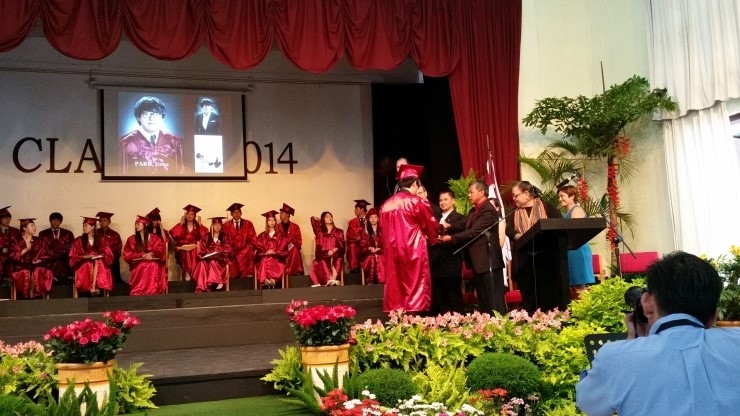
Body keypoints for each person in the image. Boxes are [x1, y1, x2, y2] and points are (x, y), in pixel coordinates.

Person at [576, 251, 740, 415]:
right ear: (713, 317)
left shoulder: (615, 357)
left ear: (647, 303)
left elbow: (588, 404)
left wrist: (633, 342)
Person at [379, 164, 439, 313]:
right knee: (415, 284)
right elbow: (430, 225)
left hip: (392, 251)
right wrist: (437, 234)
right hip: (413, 249)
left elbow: (382, 230)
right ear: (414, 184)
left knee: (396, 283)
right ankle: (415, 316)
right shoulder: (417, 202)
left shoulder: (385, 205)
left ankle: (398, 317)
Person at [439, 182, 506, 314]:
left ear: (481, 192)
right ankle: (487, 323)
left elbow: (474, 231)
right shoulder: (474, 210)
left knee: (494, 298)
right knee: (483, 299)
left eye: (471, 192)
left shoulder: (488, 210)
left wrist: (451, 238)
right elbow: (463, 224)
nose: (468, 195)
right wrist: (449, 226)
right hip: (478, 261)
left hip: (488, 259)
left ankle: (500, 324)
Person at [505, 181, 562, 312]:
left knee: (547, 295)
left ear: (526, 194)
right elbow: (508, 229)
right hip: (525, 260)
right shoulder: (514, 212)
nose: (513, 199)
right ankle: (531, 320)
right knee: (528, 296)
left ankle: (550, 319)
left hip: (545, 258)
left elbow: (559, 222)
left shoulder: (546, 206)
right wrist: (516, 236)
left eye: (515, 195)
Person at [119, 96, 185, 175]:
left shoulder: (175, 141)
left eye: (156, 114)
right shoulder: (125, 143)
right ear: (138, 117)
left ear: (162, 117)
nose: (151, 118)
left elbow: (181, 173)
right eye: (146, 114)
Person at [429, 191, 466, 315]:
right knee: (439, 295)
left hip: (451, 261)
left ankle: (459, 320)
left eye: (445, 199)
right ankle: (443, 321)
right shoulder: (435, 217)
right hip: (436, 261)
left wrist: (447, 231)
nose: (442, 202)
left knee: (453, 294)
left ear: (453, 200)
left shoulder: (459, 217)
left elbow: (461, 233)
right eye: (440, 200)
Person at [557, 185, 595, 294]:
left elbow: (574, 232)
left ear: (572, 196)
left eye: (562, 196)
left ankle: (586, 305)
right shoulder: (566, 213)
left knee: (580, 285)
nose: (560, 199)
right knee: (574, 287)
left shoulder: (576, 210)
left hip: (578, 250)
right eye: (559, 197)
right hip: (570, 250)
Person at [9, 218, 54, 299]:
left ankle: (35, 296)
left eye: (34, 225)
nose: (34, 227)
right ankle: (26, 297)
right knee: (25, 272)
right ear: (24, 228)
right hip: (20, 267)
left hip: (37, 265)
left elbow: (47, 254)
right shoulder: (16, 241)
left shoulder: (40, 240)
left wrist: (40, 260)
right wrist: (26, 249)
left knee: (37, 271)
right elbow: (13, 256)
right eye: (32, 226)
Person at [69, 217, 114, 296]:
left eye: (86, 225)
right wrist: (85, 257)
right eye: (83, 225)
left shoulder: (101, 240)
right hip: (83, 263)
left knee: (99, 262)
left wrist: (100, 256)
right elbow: (74, 255)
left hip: (98, 263)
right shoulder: (79, 240)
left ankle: (96, 286)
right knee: (88, 264)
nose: (84, 228)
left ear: (93, 227)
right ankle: (90, 287)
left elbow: (109, 254)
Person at [123, 215, 166, 296]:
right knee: (143, 265)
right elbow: (127, 253)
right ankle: (139, 290)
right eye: (136, 224)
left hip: (152, 261)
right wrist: (142, 255)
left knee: (152, 265)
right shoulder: (132, 239)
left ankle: (152, 290)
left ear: (145, 225)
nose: (137, 226)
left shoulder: (154, 237)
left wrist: (151, 254)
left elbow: (160, 248)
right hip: (138, 263)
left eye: (138, 224)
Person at [169, 204, 209, 281]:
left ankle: (193, 273)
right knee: (186, 251)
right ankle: (188, 272)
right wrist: (181, 223)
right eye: (188, 214)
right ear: (185, 215)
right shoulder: (182, 225)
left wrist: (200, 224)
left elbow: (204, 236)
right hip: (182, 248)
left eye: (192, 214)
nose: (189, 216)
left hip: (195, 248)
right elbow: (175, 235)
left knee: (193, 251)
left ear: (195, 216)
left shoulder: (197, 226)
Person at [193, 217, 232, 292]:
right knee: (202, 263)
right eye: (215, 225)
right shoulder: (206, 237)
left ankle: (218, 282)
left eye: (219, 225)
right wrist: (209, 253)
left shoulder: (225, 236)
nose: (218, 227)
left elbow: (227, 249)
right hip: (208, 259)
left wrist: (218, 252)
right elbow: (203, 249)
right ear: (212, 226)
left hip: (221, 259)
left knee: (213, 262)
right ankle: (203, 287)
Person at [222, 202, 257, 279]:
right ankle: (238, 273)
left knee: (249, 250)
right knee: (228, 254)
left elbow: (253, 238)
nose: (237, 214)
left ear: (241, 213)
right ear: (231, 214)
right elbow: (224, 240)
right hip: (232, 250)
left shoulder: (248, 224)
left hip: (245, 250)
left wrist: (249, 246)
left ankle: (247, 273)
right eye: (235, 212)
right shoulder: (226, 225)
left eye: (238, 212)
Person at [309, 212, 345, 287]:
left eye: (331, 216)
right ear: (323, 219)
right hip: (323, 254)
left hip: (335, 252)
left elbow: (341, 244)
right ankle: (331, 280)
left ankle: (332, 279)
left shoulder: (338, 231)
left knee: (338, 258)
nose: (330, 218)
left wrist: (333, 250)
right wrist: (320, 220)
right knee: (318, 261)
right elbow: (313, 219)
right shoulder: (320, 232)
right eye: (327, 217)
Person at [38, 212, 75, 284]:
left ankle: (64, 279)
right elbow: (41, 248)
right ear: (50, 221)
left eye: (58, 221)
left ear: (61, 222)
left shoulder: (68, 233)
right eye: (53, 220)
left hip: (63, 258)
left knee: (63, 262)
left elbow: (71, 247)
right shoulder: (43, 233)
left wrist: (61, 251)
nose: (55, 222)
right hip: (49, 258)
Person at [254, 210, 288, 289]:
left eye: (273, 220)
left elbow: (283, 247)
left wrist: (274, 252)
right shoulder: (262, 235)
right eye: (269, 220)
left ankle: (269, 279)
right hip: (264, 257)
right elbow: (259, 247)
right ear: (267, 222)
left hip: (277, 258)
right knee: (266, 258)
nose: (272, 222)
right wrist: (266, 252)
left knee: (270, 258)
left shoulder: (280, 235)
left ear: (276, 222)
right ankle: (270, 280)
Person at [95, 212, 124, 284]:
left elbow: (118, 247)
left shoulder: (115, 234)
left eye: (105, 220)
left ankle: (116, 279)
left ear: (109, 222)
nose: (103, 223)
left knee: (114, 258)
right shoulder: (95, 233)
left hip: (111, 256)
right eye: (101, 221)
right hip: (98, 255)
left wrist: (107, 252)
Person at [276, 203, 304, 276]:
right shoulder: (277, 227)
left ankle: (295, 270)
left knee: (294, 249)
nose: (280, 215)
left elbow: (298, 240)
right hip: (281, 248)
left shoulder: (295, 227)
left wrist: (291, 241)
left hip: (291, 247)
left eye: (282, 213)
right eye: (280, 213)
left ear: (288, 214)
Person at [359, 208, 385, 284]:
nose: (373, 219)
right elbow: (362, 244)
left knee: (381, 257)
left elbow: (386, 243)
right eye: (371, 217)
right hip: (368, 253)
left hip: (381, 252)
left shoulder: (383, 230)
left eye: (375, 217)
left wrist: (379, 249)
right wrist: (369, 248)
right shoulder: (364, 231)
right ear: (368, 219)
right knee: (371, 258)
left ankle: (382, 281)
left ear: (378, 219)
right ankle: (370, 281)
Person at [146, 207, 171, 285]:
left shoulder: (163, 231)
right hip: (149, 253)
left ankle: (160, 282)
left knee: (163, 250)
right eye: (153, 220)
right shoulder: (146, 231)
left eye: (157, 220)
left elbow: (165, 241)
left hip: (160, 253)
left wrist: (161, 227)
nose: (155, 222)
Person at [346, 199, 371, 273]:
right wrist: (356, 238)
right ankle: (354, 271)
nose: (354, 210)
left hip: (368, 245)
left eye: (356, 208)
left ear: (362, 209)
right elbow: (349, 234)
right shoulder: (352, 222)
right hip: (357, 246)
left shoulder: (370, 219)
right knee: (352, 246)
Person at [0, 206, 21, 284]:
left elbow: (20, 244)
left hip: (13, 255)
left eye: (9, 218)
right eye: (5, 218)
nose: (8, 220)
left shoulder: (16, 231)